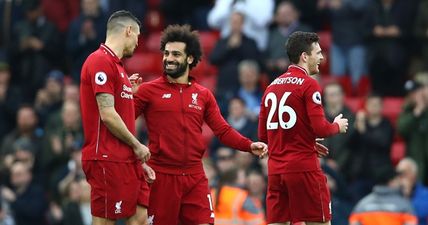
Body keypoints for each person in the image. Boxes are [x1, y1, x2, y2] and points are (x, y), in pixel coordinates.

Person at [131, 24, 268, 225]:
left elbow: (223, 130)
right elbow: (122, 122)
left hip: (195, 176)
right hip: (162, 176)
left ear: (190, 58)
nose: (169, 58)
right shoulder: (147, 91)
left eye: (176, 54)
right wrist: (126, 97)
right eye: (166, 53)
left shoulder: (203, 95)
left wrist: (248, 145)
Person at [258, 31, 349, 225]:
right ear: (304, 56)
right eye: (318, 52)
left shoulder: (271, 87)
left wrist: (303, 138)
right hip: (303, 169)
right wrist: (337, 126)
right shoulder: (309, 84)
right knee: (320, 222)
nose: (322, 57)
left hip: (275, 172)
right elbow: (321, 129)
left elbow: (264, 135)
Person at [79, 10, 152, 225]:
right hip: (106, 157)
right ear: (128, 31)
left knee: (140, 217)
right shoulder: (100, 61)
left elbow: (116, 106)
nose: (137, 43)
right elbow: (107, 114)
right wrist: (137, 145)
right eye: (137, 36)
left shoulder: (117, 67)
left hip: (125, 158)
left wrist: (127, 90)